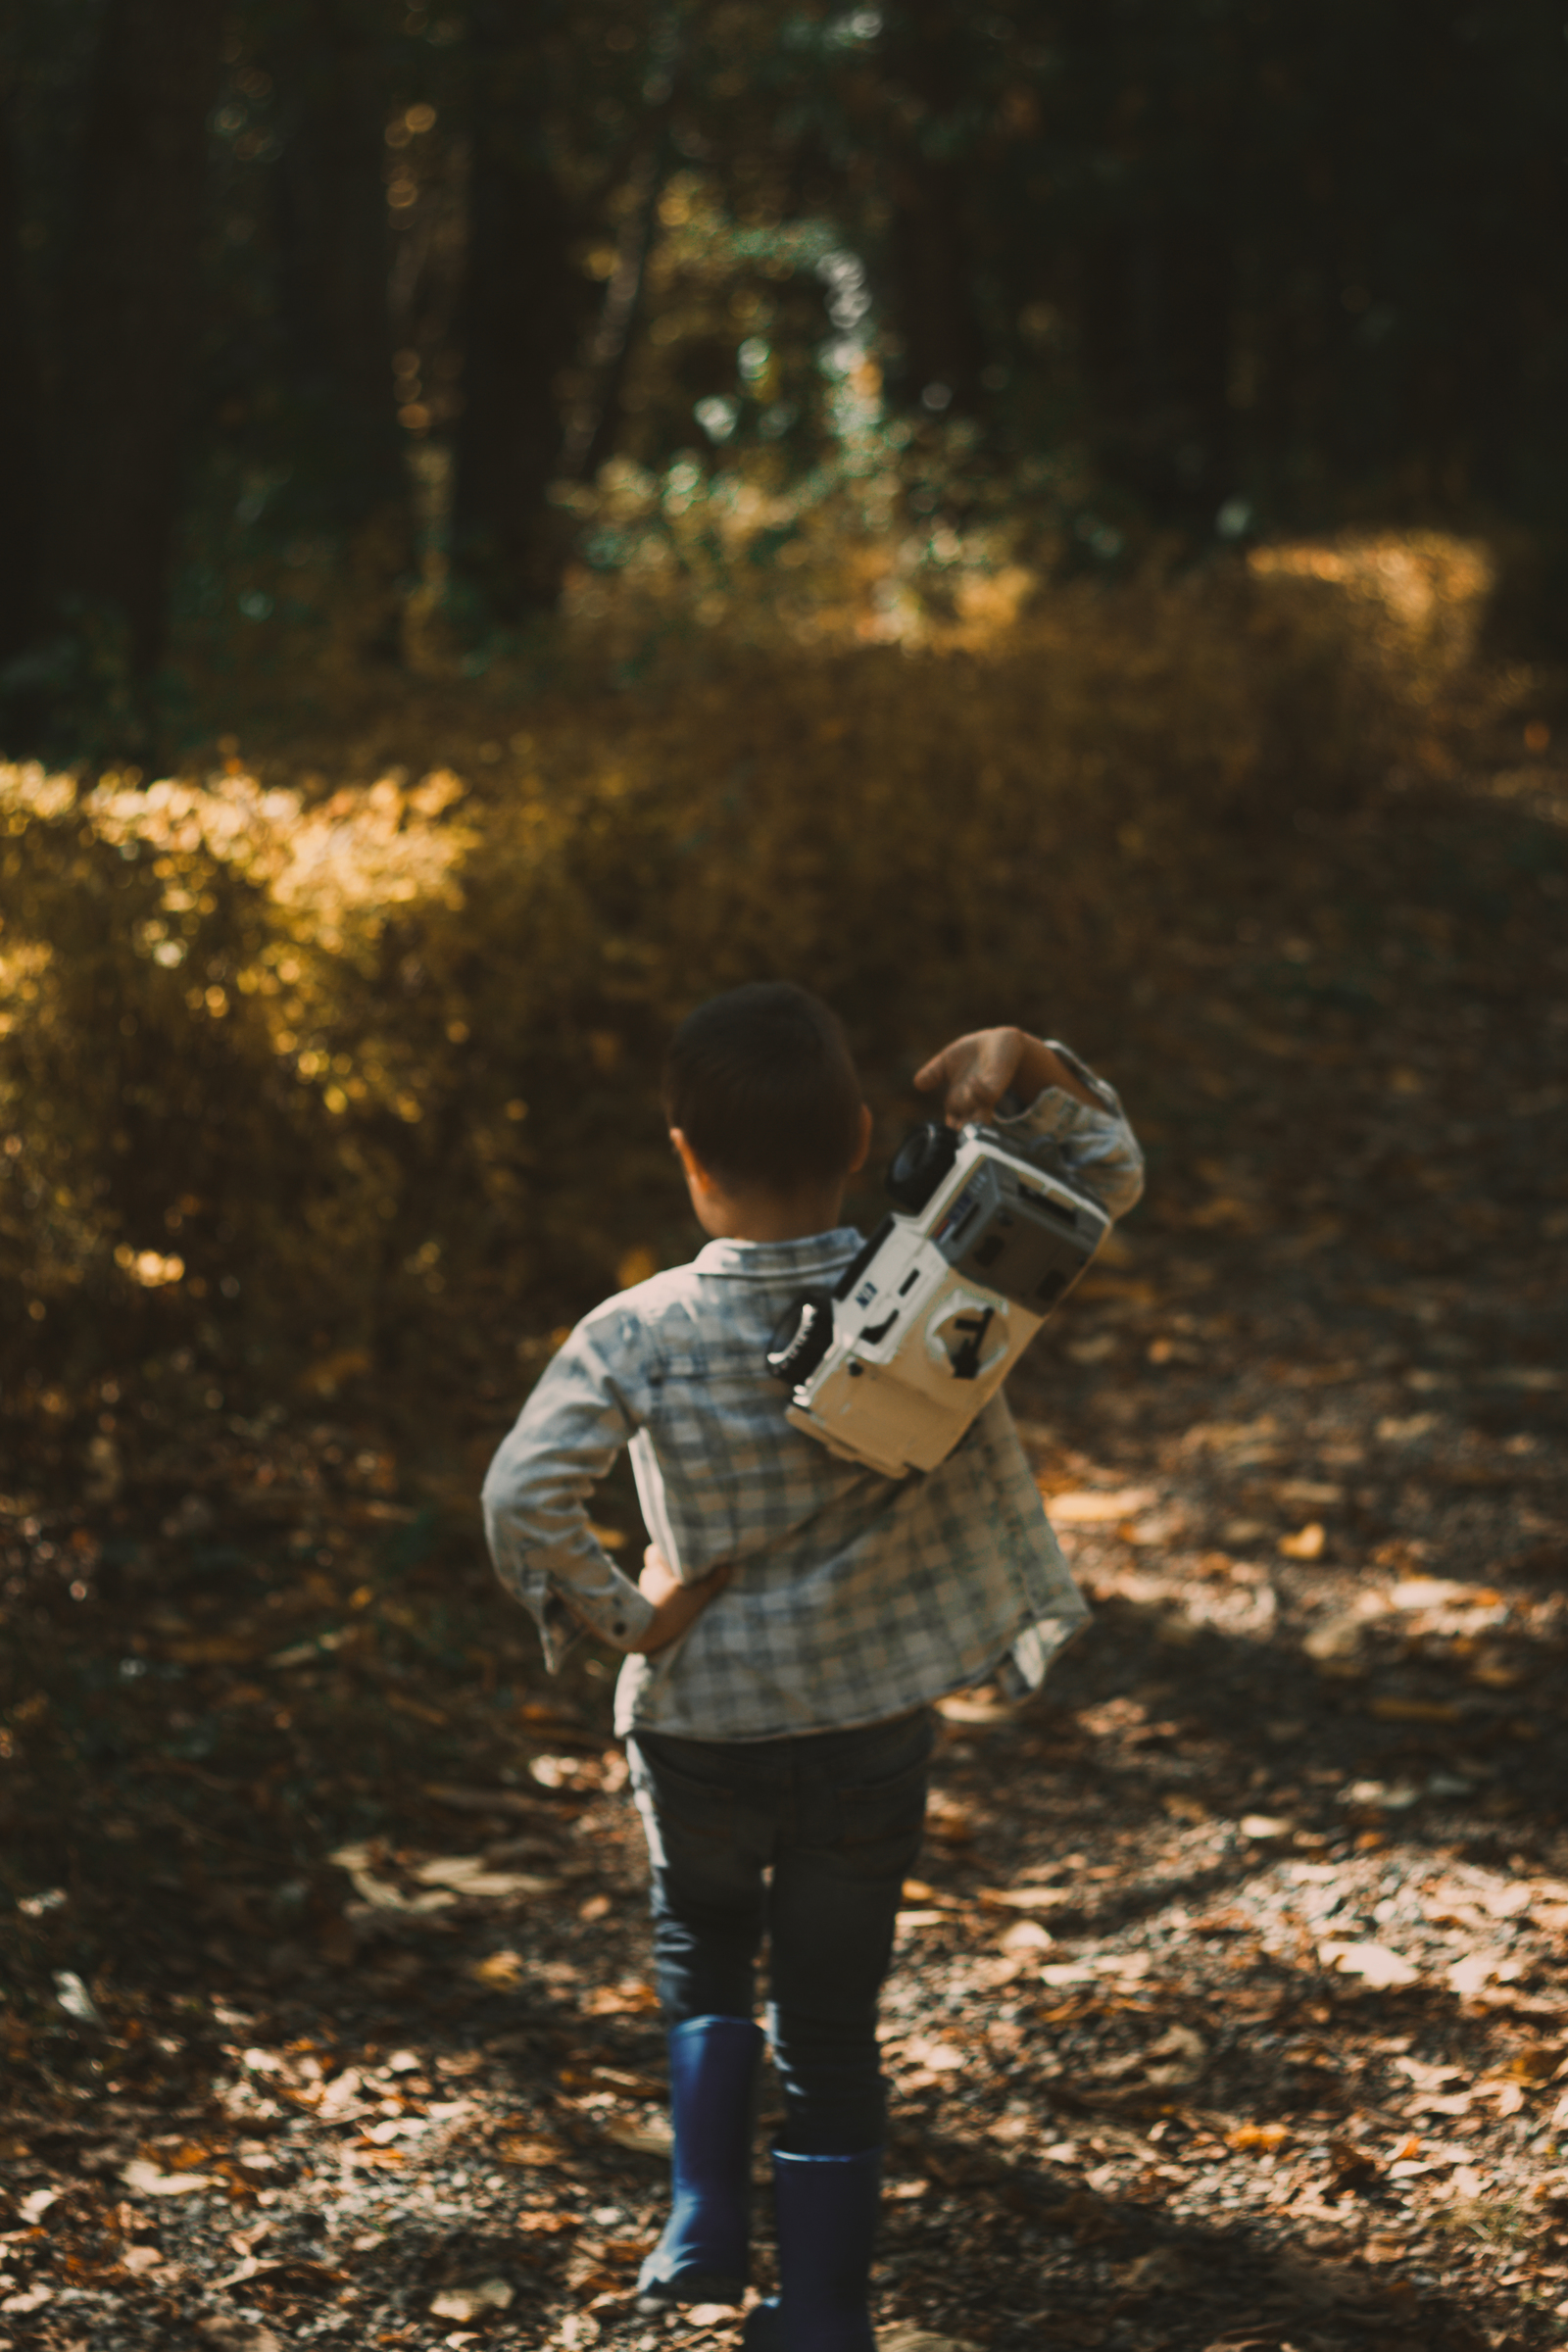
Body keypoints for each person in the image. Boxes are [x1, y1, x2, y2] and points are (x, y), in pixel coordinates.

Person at [481, 983, 1143, 2352]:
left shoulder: (636, 1330)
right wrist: (1027, 1068)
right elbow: (1104, 1178)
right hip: (865, 1729)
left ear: (685, 1154)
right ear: (857, 1134)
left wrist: (631, 1619)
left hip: (702, 1726)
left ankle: (700, 2226)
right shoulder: (952, 1266)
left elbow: (519, 1501)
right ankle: (826, 2314)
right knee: (832, 2027)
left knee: (703, 1959)